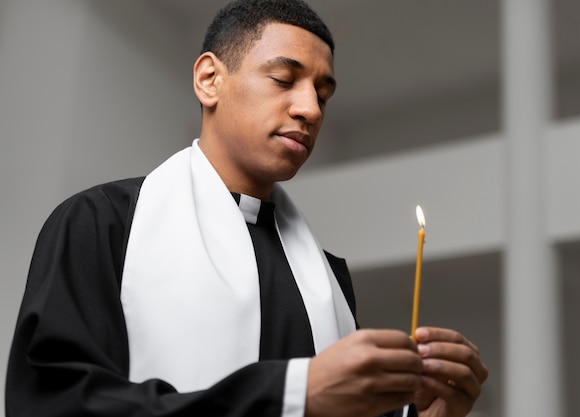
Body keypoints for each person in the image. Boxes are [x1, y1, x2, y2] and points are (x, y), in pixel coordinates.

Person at [5, 0, 488, 416]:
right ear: (210, 79)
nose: (311, 110)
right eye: (284, 79)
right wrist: (292, 395)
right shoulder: (102, 224)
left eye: (323, 93)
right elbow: (54, 404)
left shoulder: (326, 279)